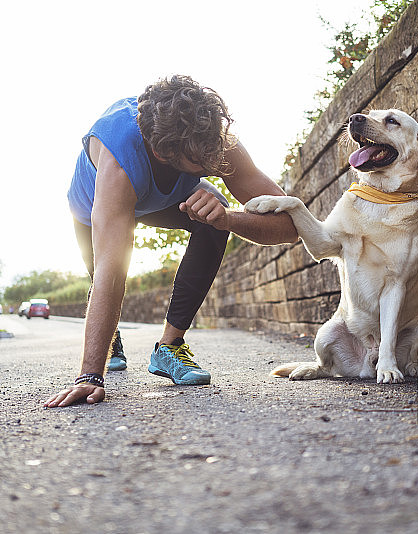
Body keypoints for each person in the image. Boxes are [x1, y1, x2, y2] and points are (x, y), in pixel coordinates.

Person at [44, 75, 297, 408]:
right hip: (91, 208)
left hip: (162, 199)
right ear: (163, 153)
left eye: (215, 151)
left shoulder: (213, 143)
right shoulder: (119, 162)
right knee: (104, 272)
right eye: (201, 162)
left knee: (213, 217)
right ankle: (109, 342)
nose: (213, 163)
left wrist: (229, 218)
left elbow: (290, 225)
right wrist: (89, 377)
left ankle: (170, 346)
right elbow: (112, 272)